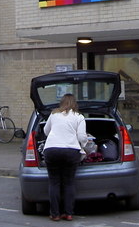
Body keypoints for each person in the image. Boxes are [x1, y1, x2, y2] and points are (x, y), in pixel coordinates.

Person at [43, 93, 87, 221]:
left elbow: (46, 131)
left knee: (54, 182)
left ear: (61, 103)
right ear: (75, 103)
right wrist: (84, 146)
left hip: (52, 150)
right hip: (71, 151)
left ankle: (55, 214)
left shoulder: (54, 114)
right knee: (68, 183)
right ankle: (68, 213)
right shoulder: (79, 117)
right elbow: (82, 137)